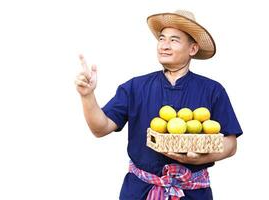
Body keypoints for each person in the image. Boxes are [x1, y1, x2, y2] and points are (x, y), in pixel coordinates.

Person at [75, 10, 242, 200]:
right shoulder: (135, 87)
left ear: (193, 49)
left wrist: (204, 157)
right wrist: (87, 96)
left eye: (174, 40)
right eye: (162, 39)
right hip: (139, 192)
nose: (164, 46)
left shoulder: (212, 90)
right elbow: (100, 128)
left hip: (193, 193)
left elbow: (231, 144)